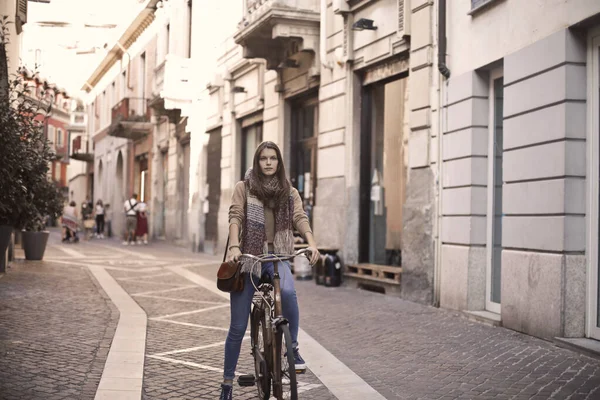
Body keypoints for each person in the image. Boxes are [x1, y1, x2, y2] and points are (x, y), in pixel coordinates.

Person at [220, 141, 320, 400]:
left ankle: (293, 348)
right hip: (249, 258)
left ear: (279, 162)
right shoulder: (244, 188)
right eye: (263, 158)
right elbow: (235, 216)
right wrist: (234, 247)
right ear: (257, 161)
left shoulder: (289, 192)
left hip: (278, 257)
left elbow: (300, 217)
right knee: (238, 326)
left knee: (288, 293)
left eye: (272, 158)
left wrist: (311, 243)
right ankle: (227, 384)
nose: (268, 162)